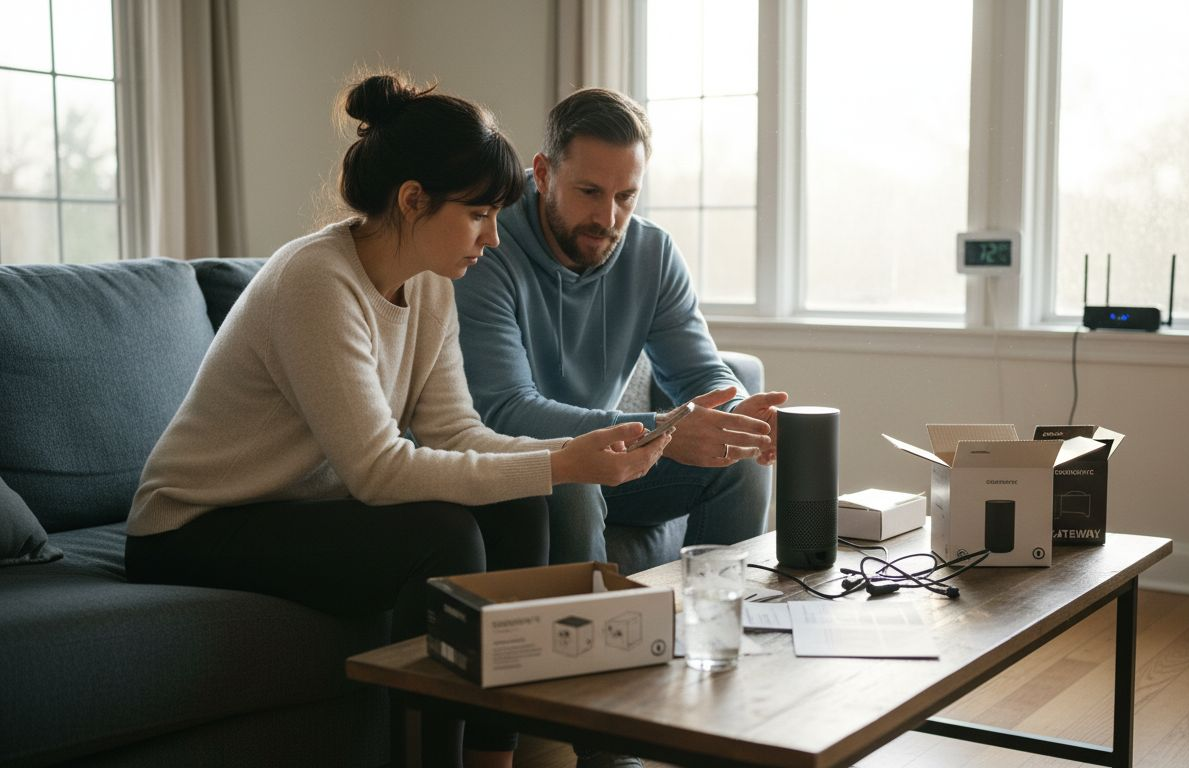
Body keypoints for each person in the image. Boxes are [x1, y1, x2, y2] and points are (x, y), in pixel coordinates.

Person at [123, 74, 669, 768]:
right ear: (413, 200)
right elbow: (378, 472)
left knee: (522, 503)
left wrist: (573, 450)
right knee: (438, 538)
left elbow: (457, 434)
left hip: (294, 511)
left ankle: (491, 759)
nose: (494, 238)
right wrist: (565, 463)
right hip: (192, 526)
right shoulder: (317, 282)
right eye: (478, 215)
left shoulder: (432, 286)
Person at [453, 87, 789, 569]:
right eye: (589, 192)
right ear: (545, 174)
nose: (608, 219)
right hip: (520, 464)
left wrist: (736, 412)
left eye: (626, 197)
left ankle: (717, 629)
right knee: (576, 479)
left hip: (613, 459)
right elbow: (504, 411)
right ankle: (595, 640)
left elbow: (699, 375)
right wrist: (658, 429)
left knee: (737, 460)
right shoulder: (485, 245)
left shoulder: (652, 252)